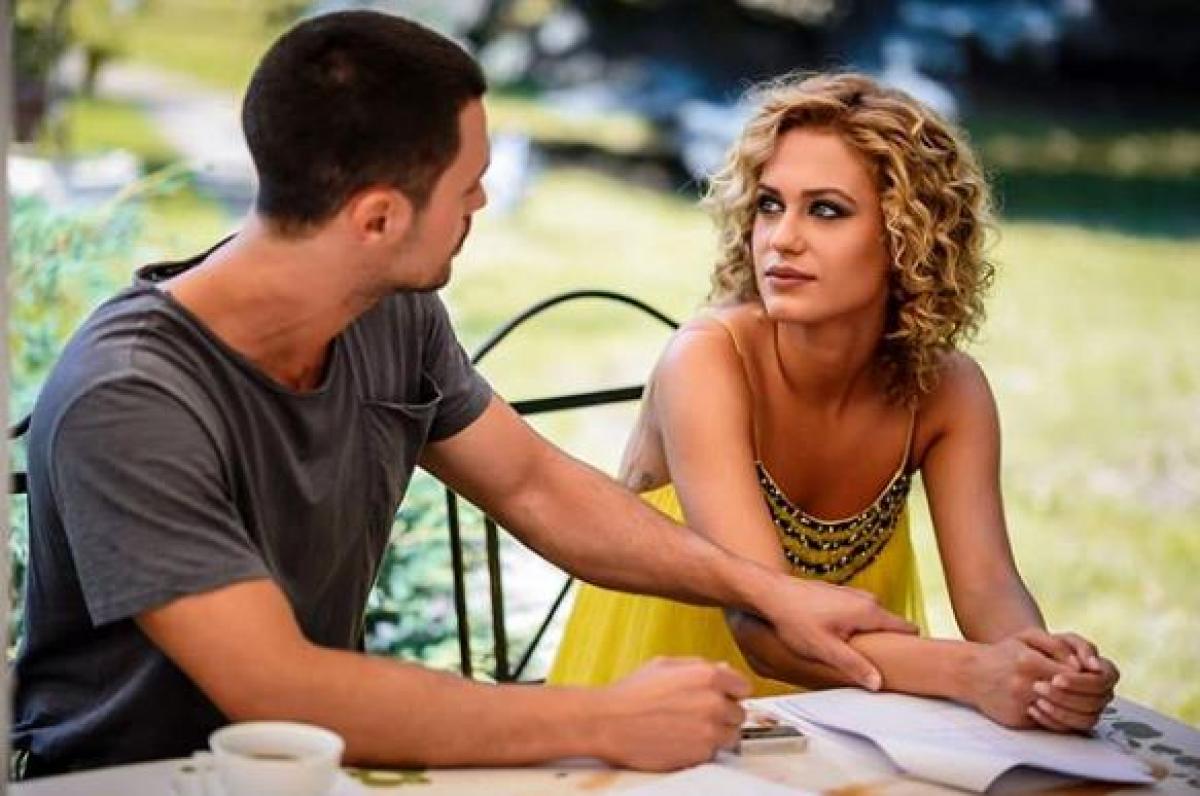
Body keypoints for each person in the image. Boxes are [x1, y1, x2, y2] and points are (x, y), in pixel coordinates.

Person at [11, 14, 918, 779]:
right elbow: (279, 687)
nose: (484, 199)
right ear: (377, 218)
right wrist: (605, 718)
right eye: (468, 182)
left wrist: (767, 591)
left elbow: (534, 487)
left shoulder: (387, 311)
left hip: (308, 773)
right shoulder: (131, 395)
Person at [549, 72, 1119, 733]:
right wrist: (973, 672)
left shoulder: (948, 392)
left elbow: (989, 587)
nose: (781, 238)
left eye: (825, 210)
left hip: (859, 693)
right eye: (769, 205)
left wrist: (1044, 669)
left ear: (907, 235)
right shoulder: (707, 361)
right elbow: (761, 628)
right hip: (669, 686)